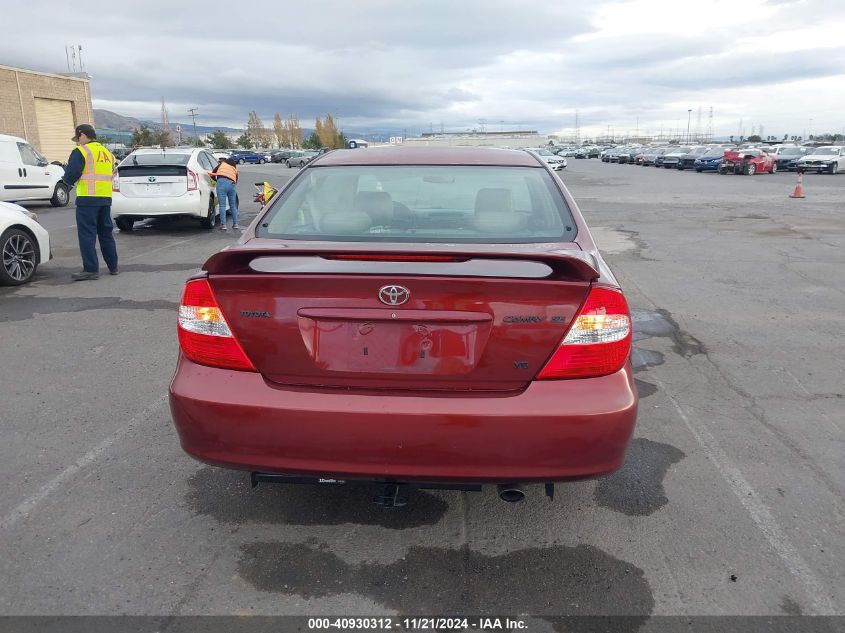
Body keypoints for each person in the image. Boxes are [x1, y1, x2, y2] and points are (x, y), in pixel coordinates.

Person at [61, 124, 118, 280]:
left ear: (82, 135)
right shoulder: (107, 153)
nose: (78, 142)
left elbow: (71, 174)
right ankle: (113, 266)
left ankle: (91, 269)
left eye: (78, 139)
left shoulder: (82, 151)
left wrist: (65, 184)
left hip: (87, 199)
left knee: (87, 235)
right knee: (106, 234)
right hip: (105, 199)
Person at [209, 156, 239, 230]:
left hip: (221, 183)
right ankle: (235, 224)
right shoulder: (234, 168)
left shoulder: (222, 164)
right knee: (233, 205)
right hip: (232, 184)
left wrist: (216, 180)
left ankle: (223, 225)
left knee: (222, 205)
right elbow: (236, 179)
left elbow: (213, 173)